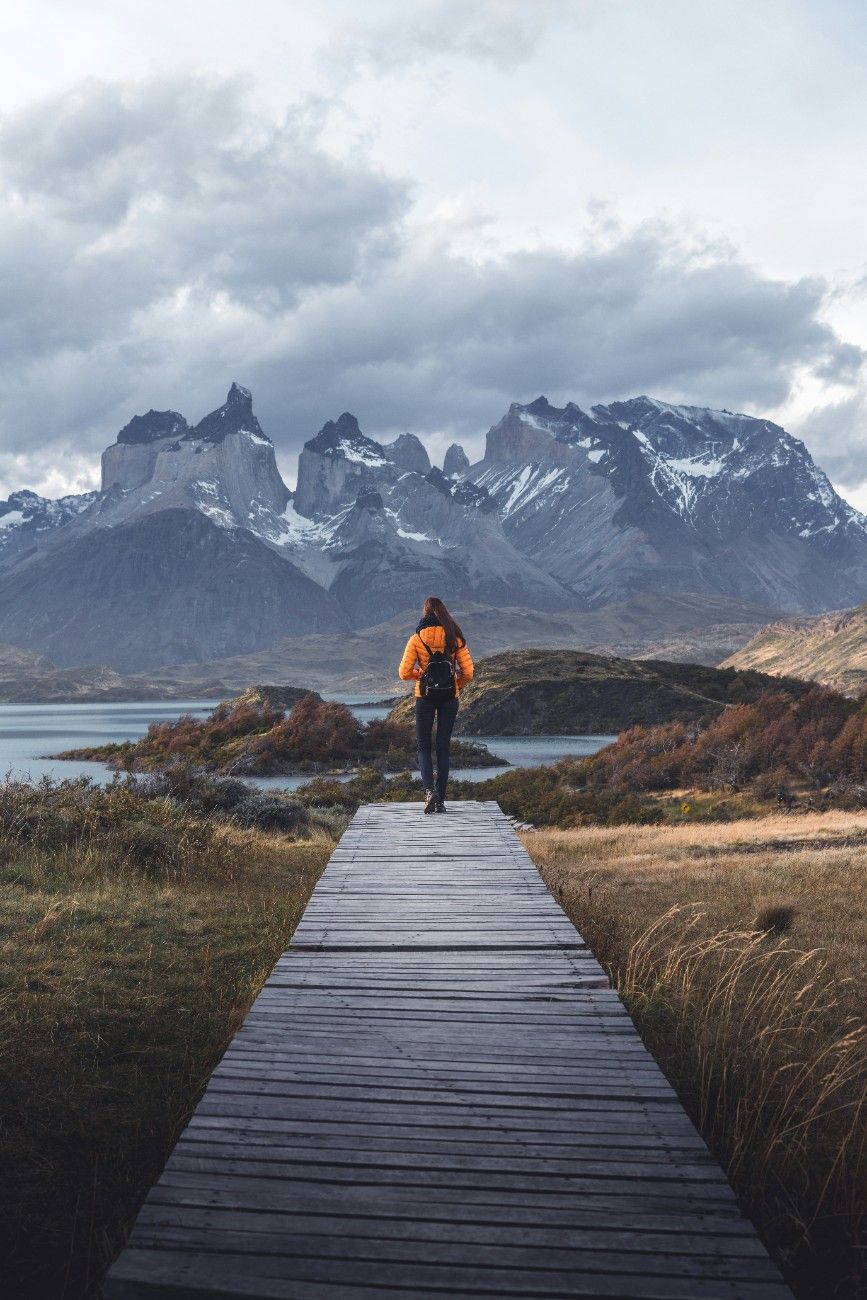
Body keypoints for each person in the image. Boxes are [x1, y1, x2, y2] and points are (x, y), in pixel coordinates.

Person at [398, 596, 474, 814]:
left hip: (425, 696)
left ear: (425, 613)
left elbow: (403, 673)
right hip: (450, 698)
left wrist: (421, 675)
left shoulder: (416, 639)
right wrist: (454, 685)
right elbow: (468, 673)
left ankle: (429, 792)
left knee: (423, 746)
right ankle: (440, 800)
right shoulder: (454, 637)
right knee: (443, 747)